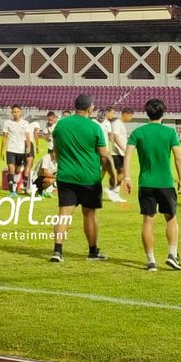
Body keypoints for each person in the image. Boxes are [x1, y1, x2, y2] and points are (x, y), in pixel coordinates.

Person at [50, 94, 116, 263]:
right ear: (90, 108)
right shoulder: (95, 128)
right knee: (90, 215)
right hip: (89, 178)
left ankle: (57, 251)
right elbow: (104, 156)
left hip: (66, 176)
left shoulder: (61, 124)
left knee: (64, 214)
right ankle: (93, 252)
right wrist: (113, 175)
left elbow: (56, 150)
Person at [123, 98, 181, 271]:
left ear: (147, 112)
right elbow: (179, 158)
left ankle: (151, 261)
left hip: (146, 183)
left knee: (148, 221)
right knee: (171, 219)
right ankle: (172, 254)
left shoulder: (138, 132)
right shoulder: (170, 133)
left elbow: (127, 155)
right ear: (163, 112)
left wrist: (127, 178)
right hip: (165, 182)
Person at [0, 105, 31, 198]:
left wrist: (28, 146)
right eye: (14, 111)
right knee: (11, 169)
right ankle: (12, 191)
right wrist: (2, 150)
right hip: (11, 149)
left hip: (21, 150)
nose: (16, 113)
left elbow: (27, 136)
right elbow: (4, 137)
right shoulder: (7, 123)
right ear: (12, 113)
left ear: (20, 112)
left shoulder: (25, 123)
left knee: (17, 171)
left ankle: (15, 187)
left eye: (17, 111)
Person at [95, 107, 123, 202]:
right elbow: (110, 137)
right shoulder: (100, 123)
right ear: (107, 113)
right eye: (112, 113)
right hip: (100, 151)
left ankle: (96, 189)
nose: (113, 115)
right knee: (104, 170)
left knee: (103, 170)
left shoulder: (103, 123)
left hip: (101, 151)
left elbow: (110, 136)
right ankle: (109, 190)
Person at [111, 107, 134, 193]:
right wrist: (124, 149)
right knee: (123, 172)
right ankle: (112, 188)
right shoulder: (117, 123)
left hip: (120, 152)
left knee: (122, 172)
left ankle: (115, 190)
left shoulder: (120, 123)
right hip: (116, 152)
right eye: (130, 116)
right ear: (125, 114)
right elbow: (115, 137)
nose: (131, 118)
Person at [24, 119, 42, 194]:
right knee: (29, 163)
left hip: (20, 143)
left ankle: (21, 184)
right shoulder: (36, 123)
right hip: (28, 143)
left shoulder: (26, 125)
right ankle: (26, 186)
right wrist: (37, 145)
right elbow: (36, 133)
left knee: (25, 164)